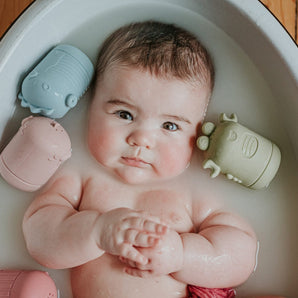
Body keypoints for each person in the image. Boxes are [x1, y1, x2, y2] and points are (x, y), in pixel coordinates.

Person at [23, 21, 259, 298]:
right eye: (124, 114)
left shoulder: (193, 196)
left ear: (197, 133)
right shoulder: (79, 179)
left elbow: (242, 255)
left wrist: (182, 255)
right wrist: (95, 231)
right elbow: (39, 238)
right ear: (89, 106)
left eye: (170, 126)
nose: (142, 139)